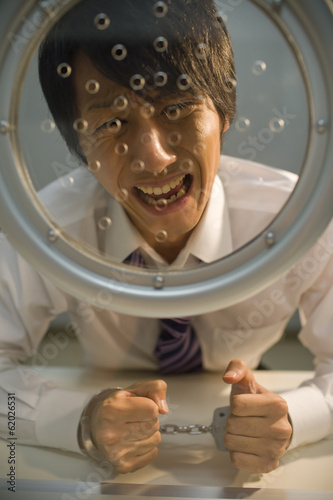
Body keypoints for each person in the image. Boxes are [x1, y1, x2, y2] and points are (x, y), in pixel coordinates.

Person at [0, 0, 332, 476]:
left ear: (225, 112)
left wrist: (294, 418)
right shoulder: (48, 228)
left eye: (176, 107)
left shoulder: (297, 218)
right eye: (111, 123)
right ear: (78, 147)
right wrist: (79, 422)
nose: (153, 158)